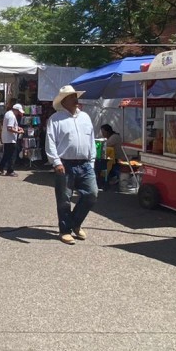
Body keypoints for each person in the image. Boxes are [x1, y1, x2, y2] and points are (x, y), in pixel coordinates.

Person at [45, 85, 98, 245]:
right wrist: (56, 161)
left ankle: (74, 223)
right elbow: (50, 141)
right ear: (64, 101)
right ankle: (65, 230)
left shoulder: (85, 117)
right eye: (71, 97)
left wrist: (92, 160)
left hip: (85, 163)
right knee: (64, 199)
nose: (76, 99)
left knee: (91, 194)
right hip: (65, 164)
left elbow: (91, 140)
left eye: (75, 96)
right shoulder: (55, 119)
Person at [0, 103, 24, 177]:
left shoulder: (8, 113)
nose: (19, 113)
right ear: (16, 110)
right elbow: (9, 128)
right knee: (12, 155)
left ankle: (1, 166)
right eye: (18, 111)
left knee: (7, 154)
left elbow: (10, 126)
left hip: (7, 138)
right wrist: (19, 132)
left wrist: (17, 127)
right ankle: (10, 170)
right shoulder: (12, 116)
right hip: (10, 139)